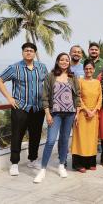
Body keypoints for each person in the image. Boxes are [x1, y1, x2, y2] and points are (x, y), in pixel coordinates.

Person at [0, 43, 48, 176]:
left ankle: (33, 159)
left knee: (35, 135)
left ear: (35, 53)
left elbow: (47, 85)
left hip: (38, 108)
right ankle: (14, 163)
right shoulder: (14, 68)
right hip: (20, 108)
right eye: (26, 50)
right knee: (17, 135)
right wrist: (10, 98)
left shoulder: (42, 67)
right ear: (22, 53)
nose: (28, 52)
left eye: (31, 50)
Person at [34, 53, 80, 183]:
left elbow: (77, 96)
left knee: (65, 140)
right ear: (58, 61)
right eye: (62, 60)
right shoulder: (50, 76)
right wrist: (47, 114)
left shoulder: (73, 77)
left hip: (70, 113)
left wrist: (77, 113)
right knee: (50, 141)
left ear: (69, 62)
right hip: (55, 114)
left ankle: (61, 165)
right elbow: (45, 97)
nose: (64, 62)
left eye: (67, 60)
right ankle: (42, 170)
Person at [71, 59, 102, 172]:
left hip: (94, 115)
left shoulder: (97, 82)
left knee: (92, 139)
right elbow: (77, 97)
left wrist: (94, 111)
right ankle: (78, 164)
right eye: (86, 68)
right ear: (83, 69)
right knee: (80, 139)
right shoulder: (79, 81)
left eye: (90, 68)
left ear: (93, 70)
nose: (88, 70)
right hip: (82, 114)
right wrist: (86, 110)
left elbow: (100, 98)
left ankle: (90, 163)